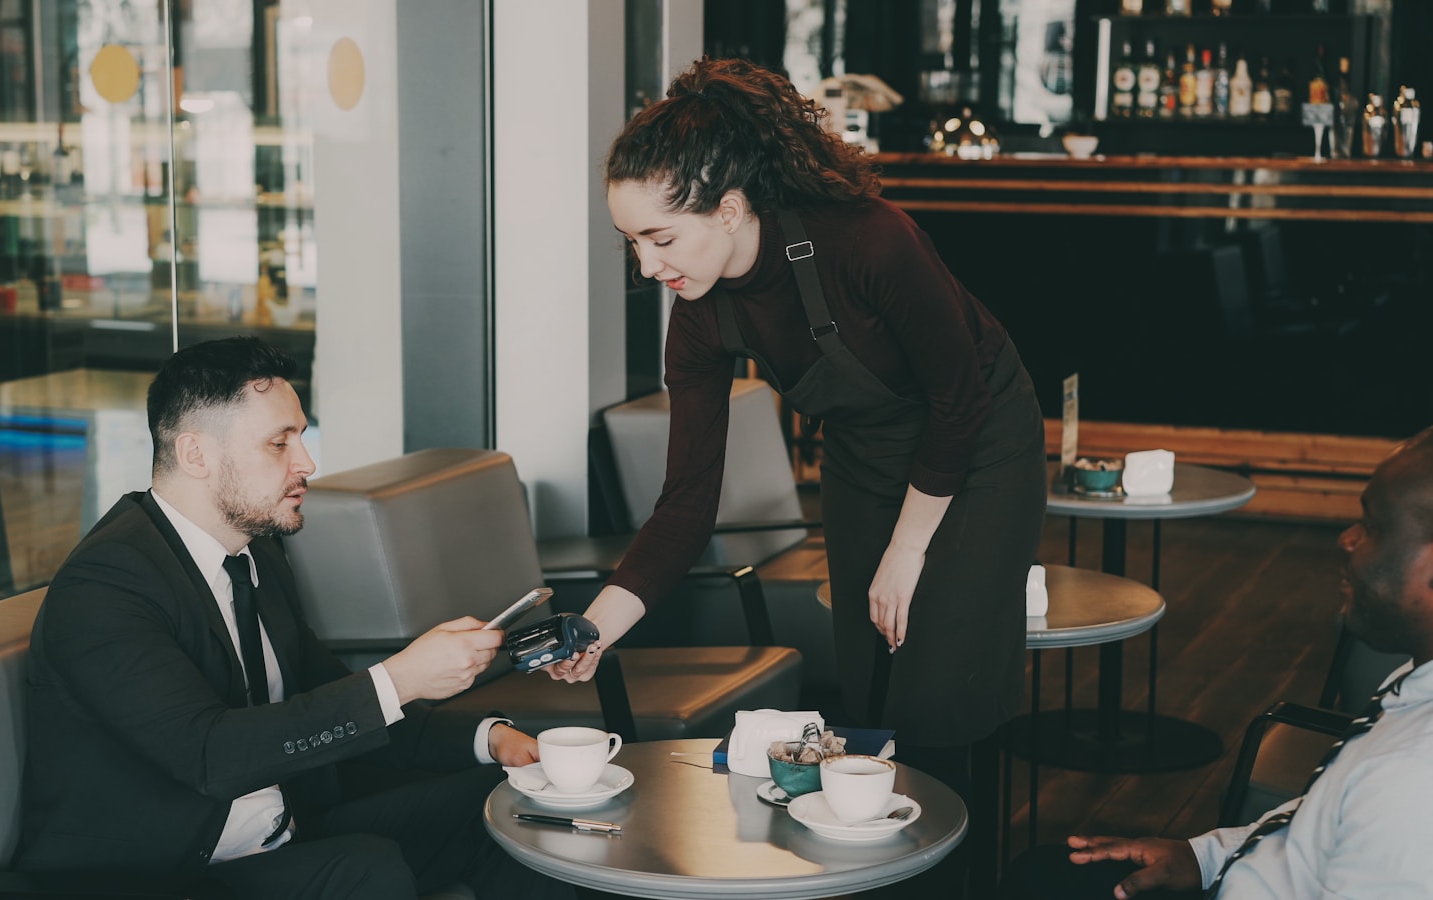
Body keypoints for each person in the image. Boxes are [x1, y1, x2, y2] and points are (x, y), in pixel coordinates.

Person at [550, 56, 1047, 802]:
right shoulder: (697, 322)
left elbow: (960, 400)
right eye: (633, 244)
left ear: (726, 208)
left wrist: (906, 550)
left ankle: (951, 854)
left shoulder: (870, 240)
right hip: (865, 454)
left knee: (941, 680)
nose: (647, 266)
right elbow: (687, 501)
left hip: (980, 444)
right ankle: (873, 842)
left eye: (660, 238)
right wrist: (597, 626)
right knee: (872, 678)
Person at [16, 337, 573, 900]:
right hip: (160, 872)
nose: (306, 463)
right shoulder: (107, 585)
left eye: (301, 438)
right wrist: (402, 676)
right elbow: (212, 756)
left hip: (283, 831)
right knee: (366, 868)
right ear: (195, 455)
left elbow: (329, 697)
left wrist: (491, 739)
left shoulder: (257, 554)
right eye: (278, 443)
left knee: (507, 812)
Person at [1004, 426, 1433, 900]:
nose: (1347, 540)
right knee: (1043, 874)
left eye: (1372, 527)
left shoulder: (1412, 786)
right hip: (1234, 872)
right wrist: (1205, 856)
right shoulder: (1416, 682)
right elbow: (1315, 826)